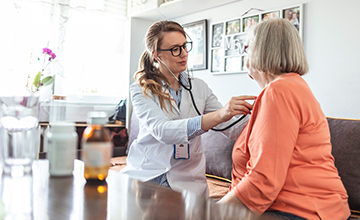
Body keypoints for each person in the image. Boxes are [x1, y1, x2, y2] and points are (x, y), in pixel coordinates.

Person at [218, 18, 351, 220]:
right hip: (310, 208)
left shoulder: (278, 92)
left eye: (247, 47)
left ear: (261, 51)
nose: (245, 53)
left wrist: (210, 212)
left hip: (301, 210)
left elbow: (263, 180)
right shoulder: (291, 87)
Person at [120, 20, 256, 197]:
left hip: (187, 182)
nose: (184, 54)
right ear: (156, 55)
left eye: (185, 46)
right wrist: (221, 114)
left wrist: (259, 119)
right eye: (175, 49)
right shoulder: (141, 89)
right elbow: (163, 131)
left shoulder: (199, 88)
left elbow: (230, 127)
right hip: (148, 175)